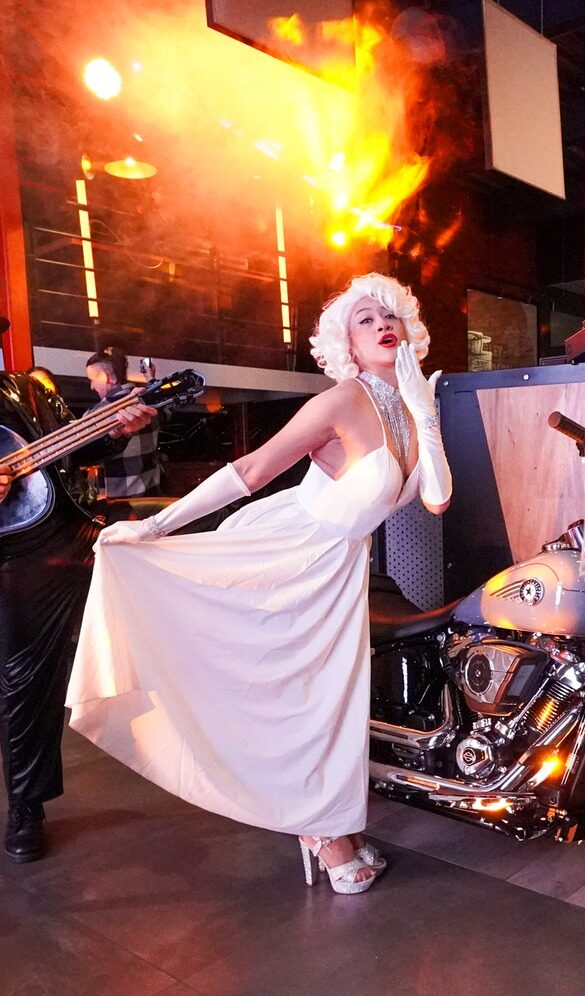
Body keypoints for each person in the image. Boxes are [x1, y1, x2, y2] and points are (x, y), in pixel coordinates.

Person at [66, 273, 452, 893]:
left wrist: (425, 412)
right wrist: (156, 526)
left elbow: (436, 499)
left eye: (390, 315)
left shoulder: (412, 404)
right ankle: (321, 832)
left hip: (341, 569)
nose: (382, 324)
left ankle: (328, 820)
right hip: (290, 560)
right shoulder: (337, 402)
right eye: (364, 319)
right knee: (296, 701)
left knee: (334, 704)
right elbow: (250, 470)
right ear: (347, 344)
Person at [0, 367, 155, 862]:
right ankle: (26, 804)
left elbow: (74, 448)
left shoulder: (28, 388)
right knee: (19, 680)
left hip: (55, 542)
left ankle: (27, 804)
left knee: (28, 681)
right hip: (12, 553)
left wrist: (114, 430)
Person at [85, 347, 161, 496]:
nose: (91, 386)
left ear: (105, 377)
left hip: (118, 500)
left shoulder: (96, 414)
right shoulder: (150, 402)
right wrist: (151, 379)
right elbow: (166, 409)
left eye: (92, 380)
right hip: (151, 496)